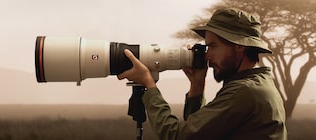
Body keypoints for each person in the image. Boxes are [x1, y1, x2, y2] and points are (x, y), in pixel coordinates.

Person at [117, 8, 287, 140]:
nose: (207, 56)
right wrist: (197, 85)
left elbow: (177, 136)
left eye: (212, 46)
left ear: (239, 46)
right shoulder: (258, 83)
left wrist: (149, 85)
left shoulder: (245, 91)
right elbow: (199, 132)